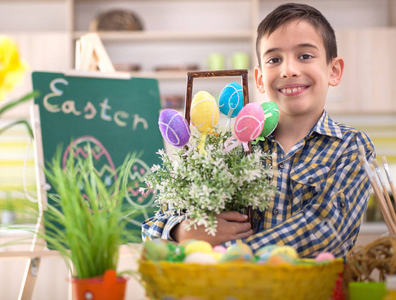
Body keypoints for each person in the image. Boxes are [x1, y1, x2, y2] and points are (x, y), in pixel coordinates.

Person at [142, 2, 375, 258]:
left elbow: (324, 231)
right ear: (260, 79)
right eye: (274, 59)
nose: (288, 70)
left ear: (334, 70)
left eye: (305, 56)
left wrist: (226, 252)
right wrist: (183, 232)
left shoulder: (351, 145)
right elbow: (153, 226)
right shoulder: (231, 146)